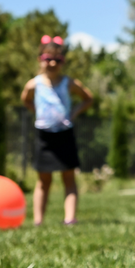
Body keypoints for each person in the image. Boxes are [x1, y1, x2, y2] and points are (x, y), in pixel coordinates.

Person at [20, 36, 93, 225]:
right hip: (44, 136)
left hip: (64, 134)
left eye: (57, 60)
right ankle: (38, 220)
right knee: (43, 180)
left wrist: (75, 112)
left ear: (63, 61)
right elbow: (25, 99)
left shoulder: (69, 83)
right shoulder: (33, 84)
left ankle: (70, 219)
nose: (52, 63)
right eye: (48, 59)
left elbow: (88, 98)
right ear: (40, 60)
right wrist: (36, 111)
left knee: (68, 177)